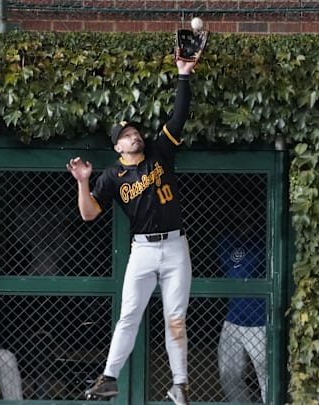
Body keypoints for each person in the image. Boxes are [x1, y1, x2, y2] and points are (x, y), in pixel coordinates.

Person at [65, 54, 200, 405]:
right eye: (126, 135)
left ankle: (180, 385)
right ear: (117, 147)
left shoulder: (160, 153)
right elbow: (89, 214)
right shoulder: (111, 176)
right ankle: (109, 378)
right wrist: (83, 181)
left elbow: (179, 117)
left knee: (176, 318)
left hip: (174, 247)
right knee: (128, 315)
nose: (133, 135)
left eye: (135, 131)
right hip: (142, 250)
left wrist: (183, 75)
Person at [216, 216, 267, 403]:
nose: (244, 220)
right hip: (234, 318)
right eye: (239, 216)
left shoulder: (263, 242)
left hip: (259, 320)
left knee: (265, 374)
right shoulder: (228, 241)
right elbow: (232, 267)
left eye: (248, 216)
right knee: (228, 373)